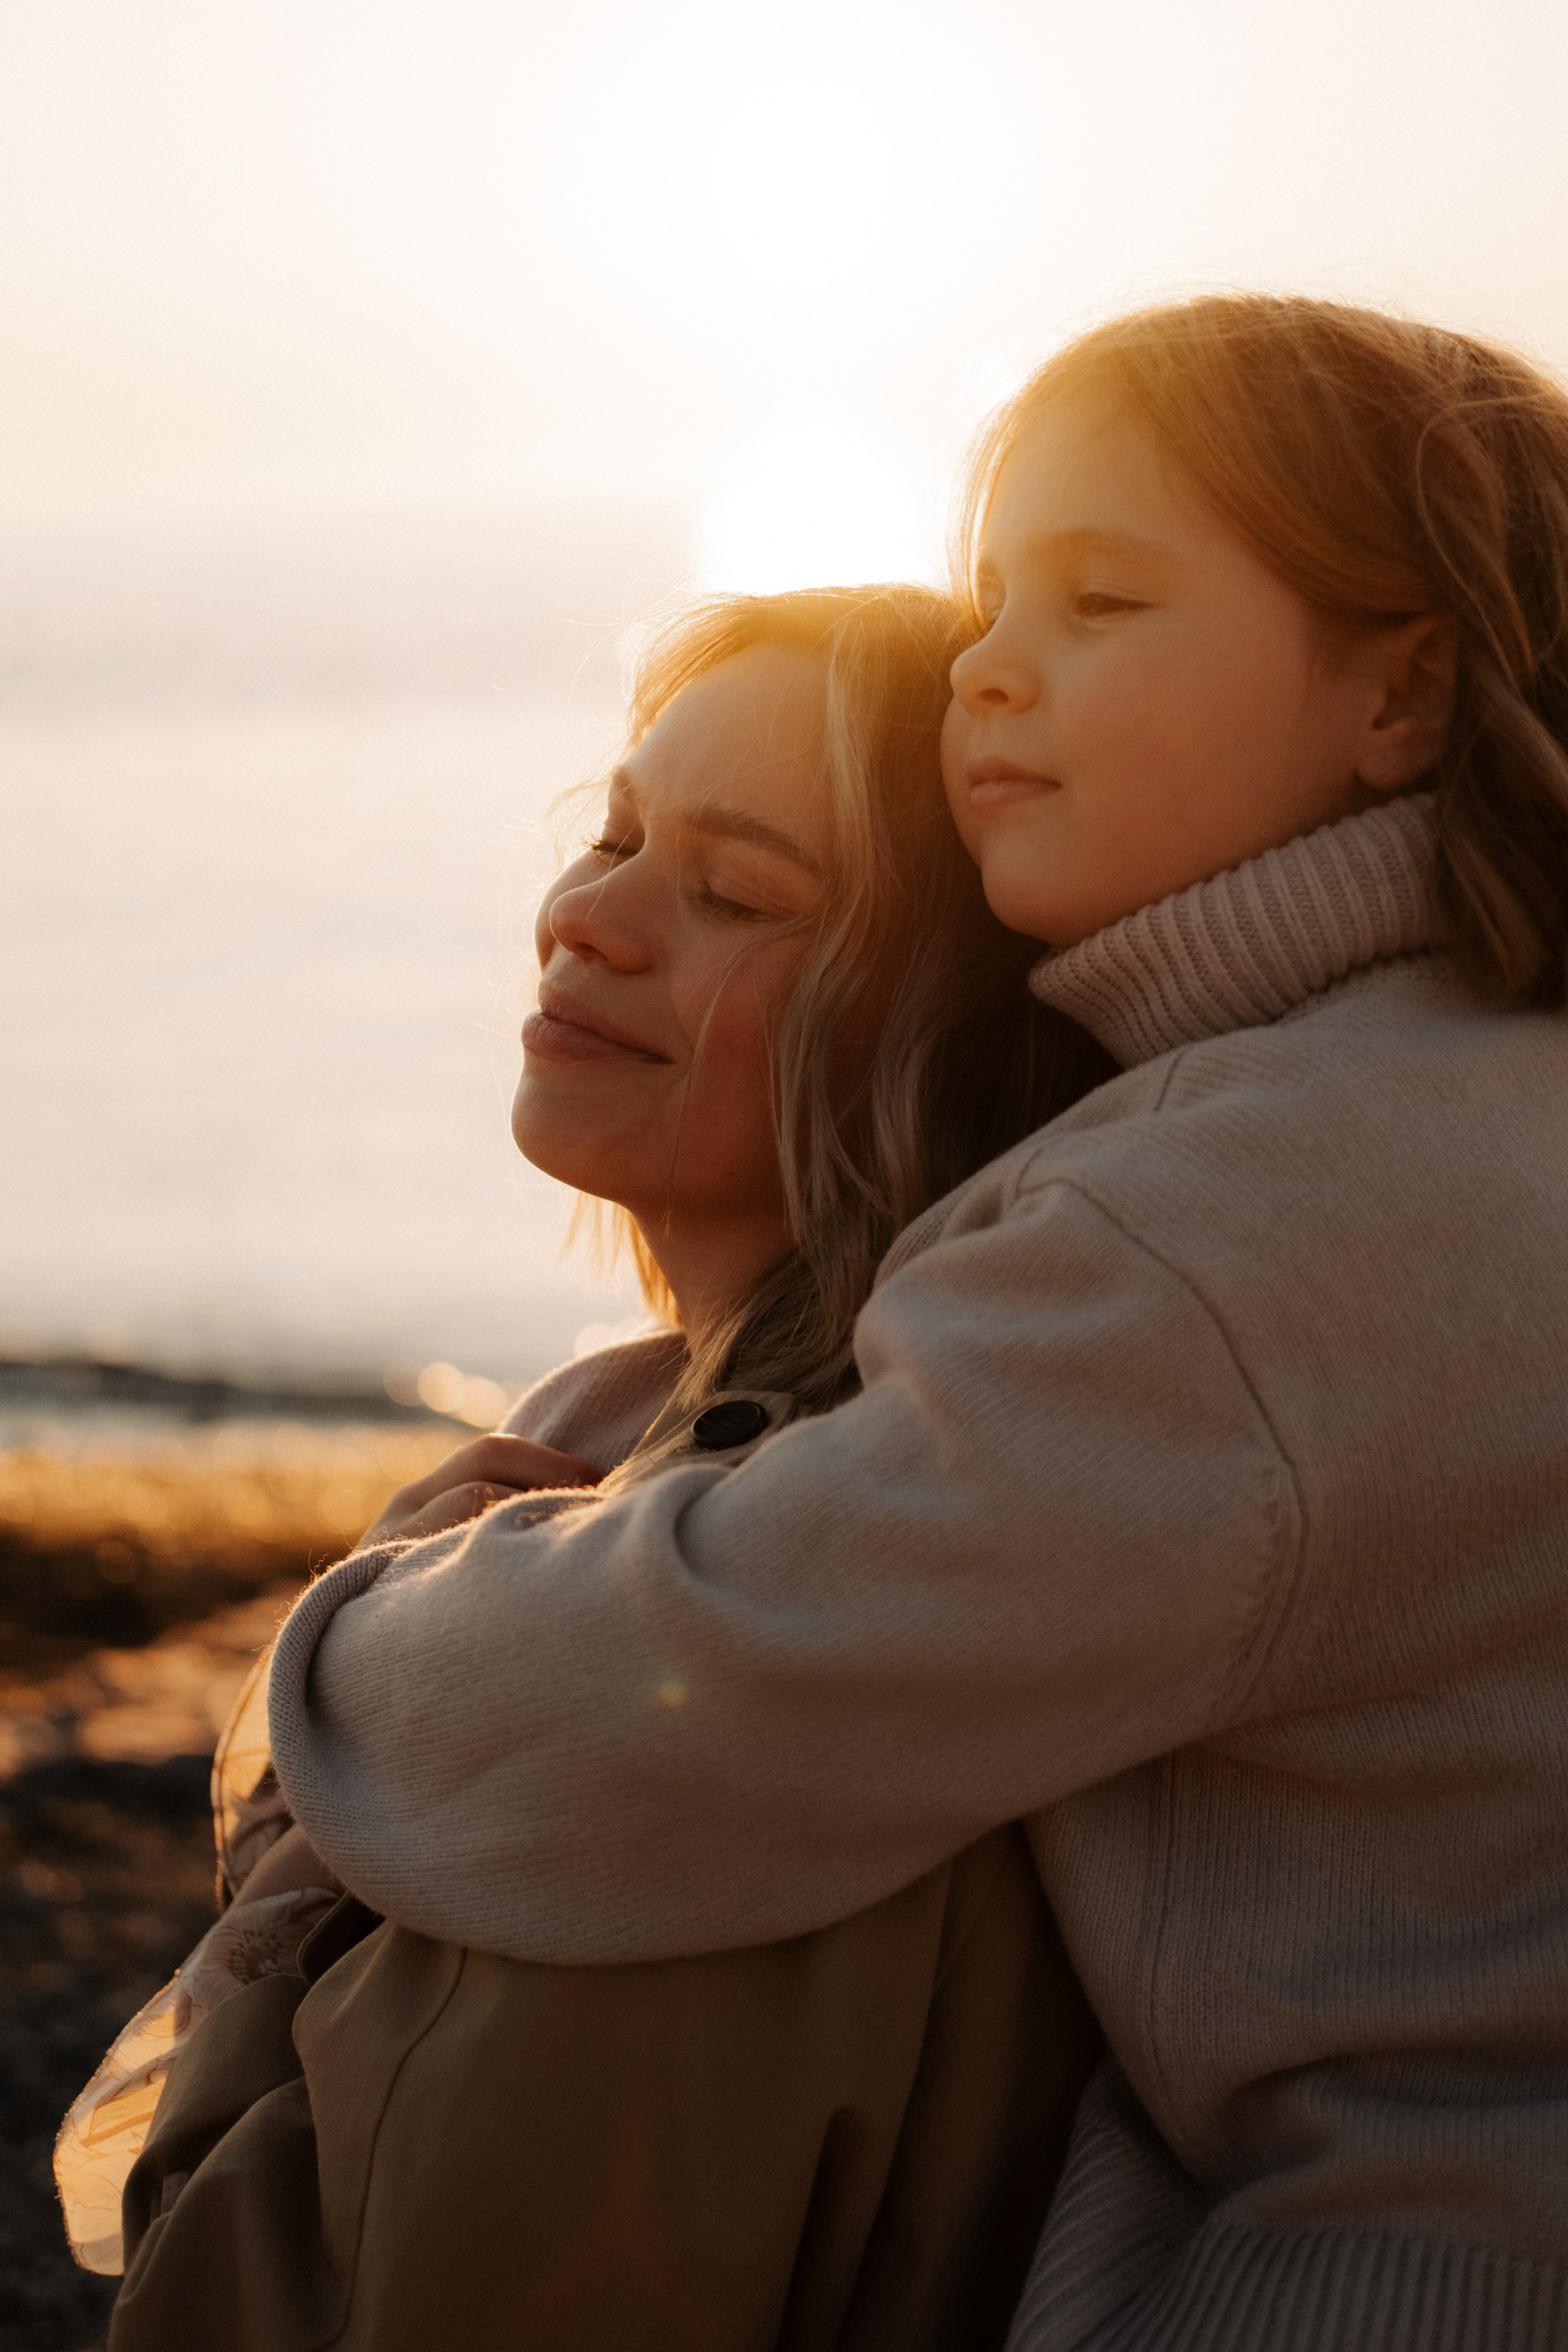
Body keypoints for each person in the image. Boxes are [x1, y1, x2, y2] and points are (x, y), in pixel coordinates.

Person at [253, 296, 1568, 2351]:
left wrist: (366, 1620)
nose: (995, 668)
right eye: (992, 601)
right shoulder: (1463, 1092)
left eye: (1104, 598)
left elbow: (685, 1695)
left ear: (1402, 691)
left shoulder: (1231, 1224)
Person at [89, 584, 1110, 2348]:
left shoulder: (734, 1634)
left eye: (734, 893)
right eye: (618, 834)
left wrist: (311, 1800)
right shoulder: (620, 1454)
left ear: (943, 1025)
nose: (590, 920)